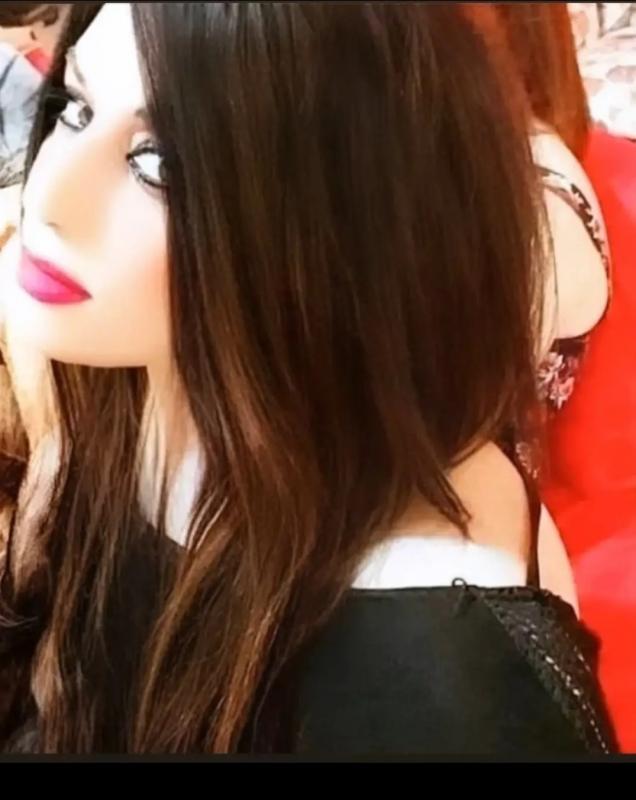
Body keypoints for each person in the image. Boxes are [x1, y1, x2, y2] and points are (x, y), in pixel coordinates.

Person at [0, 3, 614, 755]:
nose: (49, 197)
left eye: (159, 166)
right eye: (74, 107)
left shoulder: (442, 680)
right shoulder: (123, 402)